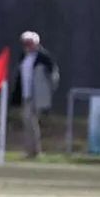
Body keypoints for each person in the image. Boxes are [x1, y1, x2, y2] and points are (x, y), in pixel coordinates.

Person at [10, 30, 59, 159]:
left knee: (30, 120)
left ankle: (34, 150)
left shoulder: (43, 58)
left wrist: (48, 91)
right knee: (28, 121)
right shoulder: (24, 57)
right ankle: (31, 150)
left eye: (29, 43)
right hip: (25, 95)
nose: (27, 46)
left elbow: (53, 75)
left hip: (37, 96)